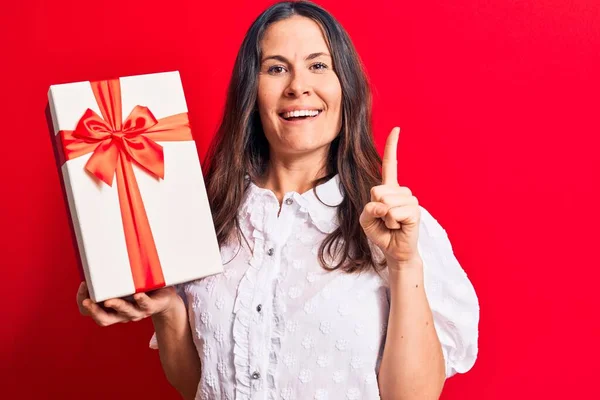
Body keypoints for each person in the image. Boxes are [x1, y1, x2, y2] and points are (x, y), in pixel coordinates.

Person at [76, 1, 480, 399]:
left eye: (318, 65)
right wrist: (168, 311)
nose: (298, 86)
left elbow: (413, 397)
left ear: (346, 88)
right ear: (251, 93)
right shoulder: (207, 218)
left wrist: (403, 262)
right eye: (276, 68)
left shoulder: (398, 228)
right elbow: (195, 384)